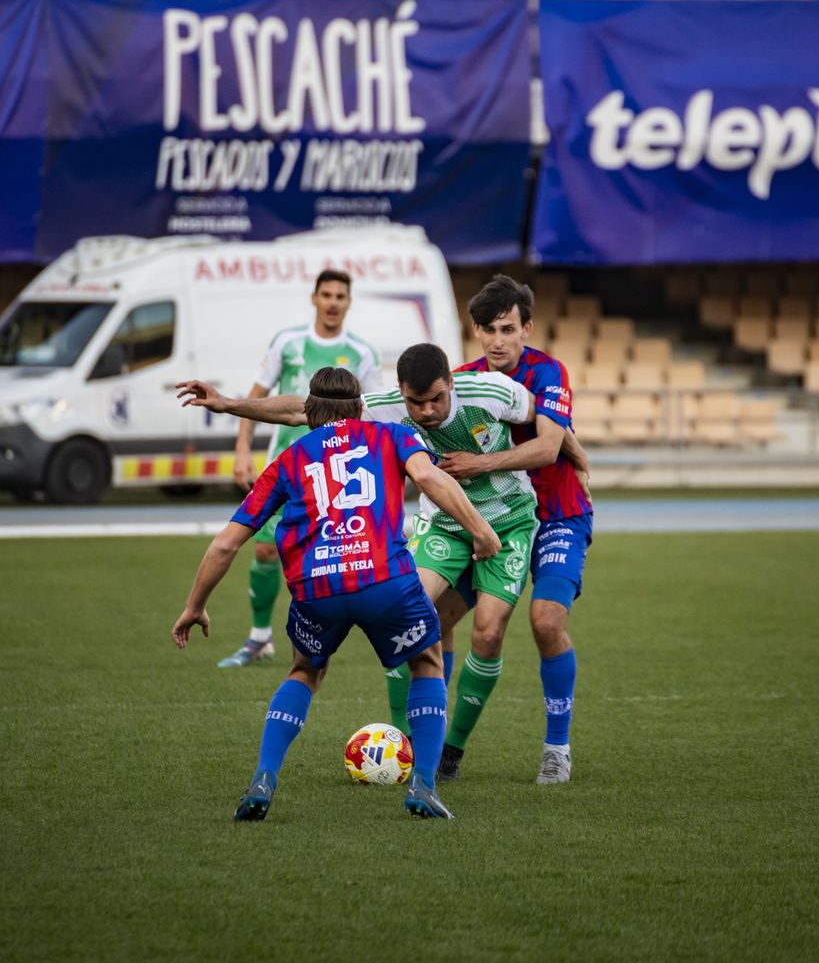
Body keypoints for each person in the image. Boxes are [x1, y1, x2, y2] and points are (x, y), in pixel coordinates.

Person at [178, 343, 571, 776]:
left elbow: (550, 425)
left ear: (452, 384)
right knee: (418, 620)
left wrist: (576, 457)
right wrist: (229, 403)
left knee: (488, 633)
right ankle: (410, 750)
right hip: (443, 525)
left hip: (507, 522)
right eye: (413, 402)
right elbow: (302, 410)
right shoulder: (386, 412)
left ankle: (451, 752)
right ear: (399, 392)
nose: (424, 412)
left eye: (435, 399)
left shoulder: (492, 391)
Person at [434, 274, 594, 785]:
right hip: (493, 519)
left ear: (527, 327)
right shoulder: (460, 380)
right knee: (434, 622)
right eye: (487, 329)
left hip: (555, 513)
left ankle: (557, 748)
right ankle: (443, 746)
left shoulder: (548, 371)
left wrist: (479, 463)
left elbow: (548, 448)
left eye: (507, 328)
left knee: (546, 621)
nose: (497, 340)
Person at [220, 269, 382, 670]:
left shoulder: (362, 353)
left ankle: (321, 636)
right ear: (314, 298)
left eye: (339, 296)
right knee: (263, 547)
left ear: (348, 302)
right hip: (287, 467)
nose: (332, 302)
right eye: (325, 294)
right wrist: (242, 450)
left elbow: (373, 414)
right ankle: (259, 637)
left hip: (334, 473)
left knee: (323, 554)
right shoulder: (288, 342)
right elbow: (254, 398)